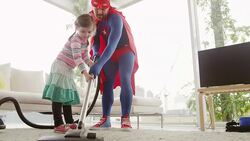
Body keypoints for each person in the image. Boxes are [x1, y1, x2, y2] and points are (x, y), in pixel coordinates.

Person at [89, 0, 139, 128]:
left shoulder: (115, 18)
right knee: (107, 83)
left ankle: (125, 118)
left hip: (125, 50)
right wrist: (96, 54)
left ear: (108, 7)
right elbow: (95, 41)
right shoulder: (93, 20)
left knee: (125, 79)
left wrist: (99, 64)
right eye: (97, 10)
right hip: (108, 52)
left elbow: (112, 43)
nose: (99, 13)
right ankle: (106, 119)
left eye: (103, 10)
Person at [42, 14, 95, 133]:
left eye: (89, 32)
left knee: (66, 96)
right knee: (58, 96)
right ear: (76, 28)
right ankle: (58, 124)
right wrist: (85, 73)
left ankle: (69, 122)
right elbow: (77, 57)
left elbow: (85, 57)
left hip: (68, 69)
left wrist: (93, 64)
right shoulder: (75, 39)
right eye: (83, 31)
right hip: (61, 66)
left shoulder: (85, 41)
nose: (86, 34)